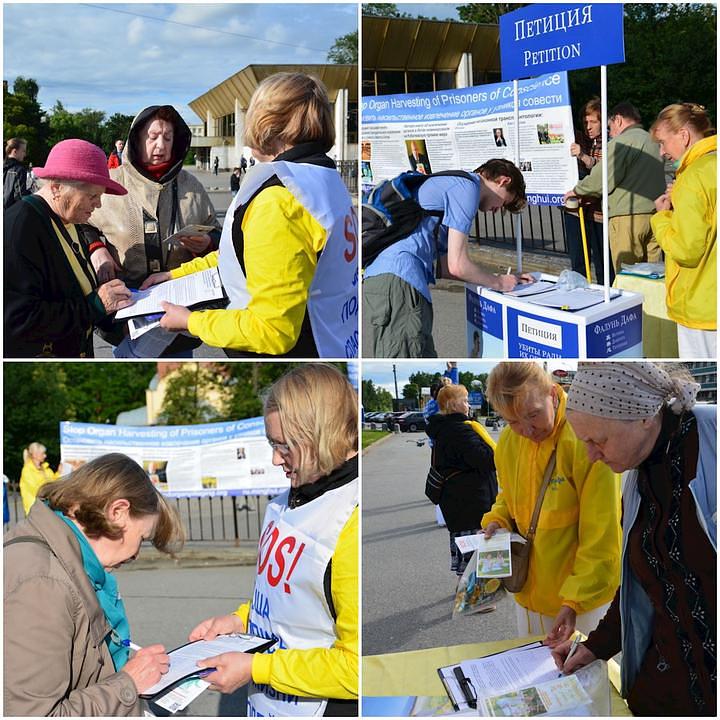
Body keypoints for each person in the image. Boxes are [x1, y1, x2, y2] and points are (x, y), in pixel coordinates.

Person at [140, 73, 358, 358]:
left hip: (290, 352)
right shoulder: (321, 179)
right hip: (334, 338)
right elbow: (242, 254)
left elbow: (272, 331)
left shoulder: (279, 199)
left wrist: (190, 321)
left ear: (266, 123)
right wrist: (174, 275)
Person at [188, 363, 358, 716]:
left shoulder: (350, 519)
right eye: (272, 444)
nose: (275, 458)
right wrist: (239, 621)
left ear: (320, 436)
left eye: (285, 446)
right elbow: (293, 600)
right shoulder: (292, 496)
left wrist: (256, 668)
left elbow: (358, 669)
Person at [553, 362, 716, 717]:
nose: (591, 456)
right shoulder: (637, 471)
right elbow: (642, 582)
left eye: (599, 440)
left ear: (643, 417)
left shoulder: (711, 438)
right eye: (585, 442)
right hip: (669, 685)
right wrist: (595, 647)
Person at [4, 453, 185, 716]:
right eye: (142, 537)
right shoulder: (42, 584)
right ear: (118, 512)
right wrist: (128, 683)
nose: (136, 555)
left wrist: (123, 671)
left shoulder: (67, 562)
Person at [481, 362, 621, 645]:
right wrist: (499, 518)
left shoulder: (585, 439)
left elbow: (602, 533)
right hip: (526, 594)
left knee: (578, 681)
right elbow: (507, 494)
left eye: (533, 414)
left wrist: (575, 601)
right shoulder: (509, 441)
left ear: (554, 394)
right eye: (512, 421)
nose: (527, 430)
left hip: (578, 603)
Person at [364, 159, 533, 358]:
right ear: (503, 181)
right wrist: (500, 282)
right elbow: (457, 266)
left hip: (396, 281)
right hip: (400, 281)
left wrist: (495, 277)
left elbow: (444, 266)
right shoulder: (468, 189)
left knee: (419, 355)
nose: (496, 210)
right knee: (405, 356)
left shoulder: (453, 184)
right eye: (503, 202)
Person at [88, 104, 221, 356]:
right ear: (136, 139)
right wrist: (97, 249)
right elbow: (78, 224)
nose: (160, 146)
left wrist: (208, 243)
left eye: (168, 138)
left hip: (181, 313)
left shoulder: (191, 185)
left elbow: (220, 235)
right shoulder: (109, 183)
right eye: (152, 137)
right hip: (124, 314)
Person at [4, 139, 133, 357]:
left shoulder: (67, 218)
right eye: (93, 196)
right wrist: (95, 306)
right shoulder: (20, 227)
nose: (98, 204)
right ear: (56, 188)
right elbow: (17, 320)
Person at [565, 102, 666, 273]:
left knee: (628, 275)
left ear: (618, 120)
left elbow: (602, 176)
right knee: (653, 275)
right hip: (655, 216)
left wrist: (576, 191)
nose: (610, 133)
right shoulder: (653, 141)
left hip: (627, 218)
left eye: (610, 127)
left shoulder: (621, 142)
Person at [650, 103, 716, 358]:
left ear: (684, 136)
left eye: (664, 142)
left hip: (700, 306)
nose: (662, 151)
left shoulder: (692, 177)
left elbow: (686, 250)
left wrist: (662, 218)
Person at [427, 384, 497, 578]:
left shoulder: (445, 428)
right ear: (453, 404)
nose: (468, 405)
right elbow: (486, 459)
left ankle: (466, 591)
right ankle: (473, 597)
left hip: (458, 501)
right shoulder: (460, 431)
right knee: (475, 552)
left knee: (467, 549)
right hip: (470, 501)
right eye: (464, 400)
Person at [563, 98, 608, 284]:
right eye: (585, 122)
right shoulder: (580, 139)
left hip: (598, 213)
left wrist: (582, 155)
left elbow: (601, 171)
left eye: (593, 122)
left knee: (602, 263)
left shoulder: (608, 142)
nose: (588, 126)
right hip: (575, 209)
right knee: (578, 261)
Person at [19, 442, 60, 515]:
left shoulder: (47, 469)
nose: (45, 456)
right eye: (42, 453)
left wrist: (59, 472)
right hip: (34, 511)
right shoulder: (27, 471)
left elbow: (55, 482)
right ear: (34, 455)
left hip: (48, 508)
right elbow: (37, 490)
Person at [4, 137, 31, 209]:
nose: (25, 154)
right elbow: (20, 197)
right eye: (23, 151)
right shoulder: (19, 170)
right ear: (15, 151)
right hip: (10, 213)